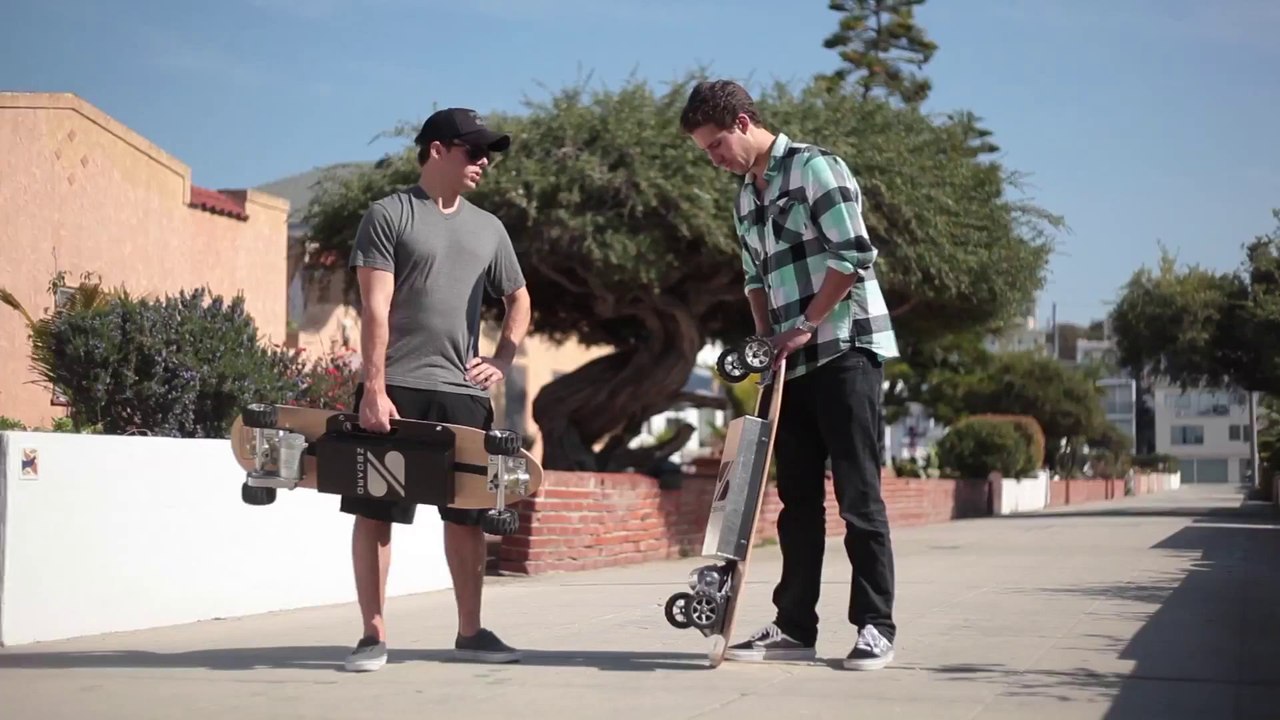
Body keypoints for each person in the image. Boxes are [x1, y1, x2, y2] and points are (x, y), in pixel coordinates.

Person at [679, 80, 900, 671]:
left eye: (718, 144)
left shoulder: (814, 169)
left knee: (858, 496)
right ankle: (794, 627)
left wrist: (803, 322)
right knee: (795, 502)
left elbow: (852, 256)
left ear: (745, 122)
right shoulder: (744, 198)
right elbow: (755, 279)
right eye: (705, 151)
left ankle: (875, 626)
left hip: (845, 348)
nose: (715, 158)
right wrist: (766, 344)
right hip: (789, 361)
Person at [341, 107, 532, 672]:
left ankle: (470, 634)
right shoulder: (389, 215)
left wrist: (503, 358)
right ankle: (372, 636)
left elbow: (518, 297)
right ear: (436, 150)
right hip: (396, 387)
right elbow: (374, 308)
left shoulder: (489, 229)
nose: (484, 162)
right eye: (474, 152)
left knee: (468, 517)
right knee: (376, 513)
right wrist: (373, 388)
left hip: (463, 395)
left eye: (487, 154)